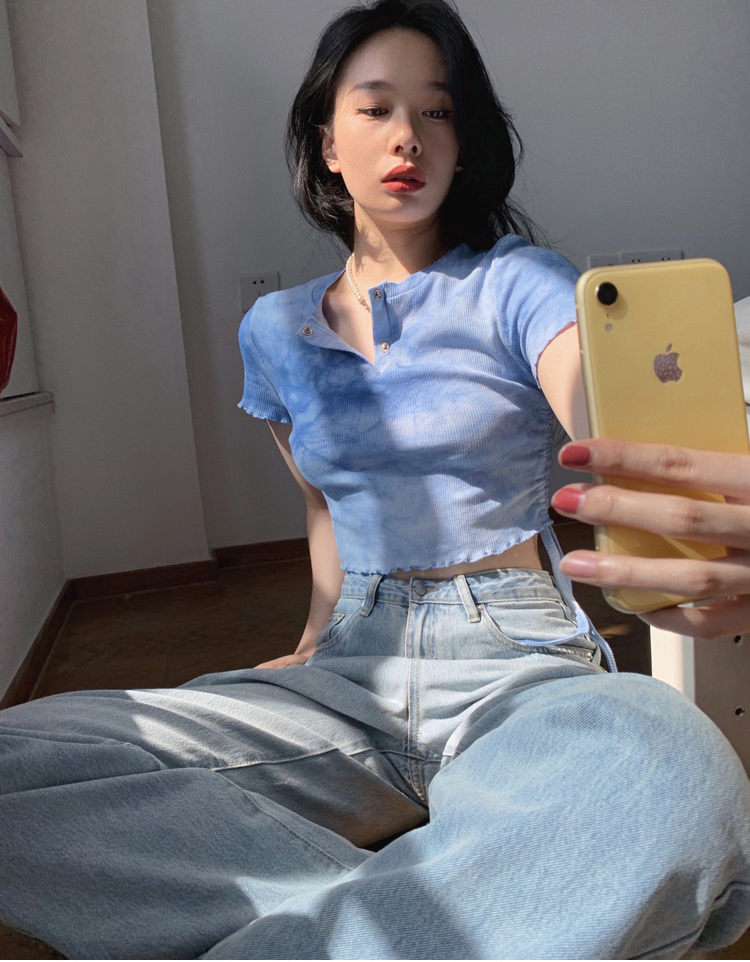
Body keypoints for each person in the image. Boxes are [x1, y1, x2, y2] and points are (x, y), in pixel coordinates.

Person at [1, 1, 749, 958]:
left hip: (516, 658)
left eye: (439, 111)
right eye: (376, 107)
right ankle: (439, 904)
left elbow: (598, 416)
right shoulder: (274, 330)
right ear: (326, 141)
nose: (409, 136)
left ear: (465, 144)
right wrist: (314, 640)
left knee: (670, 774)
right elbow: (324, 507)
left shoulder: (518, 282)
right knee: (20, 758)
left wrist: (684, 504)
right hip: (350, 666)